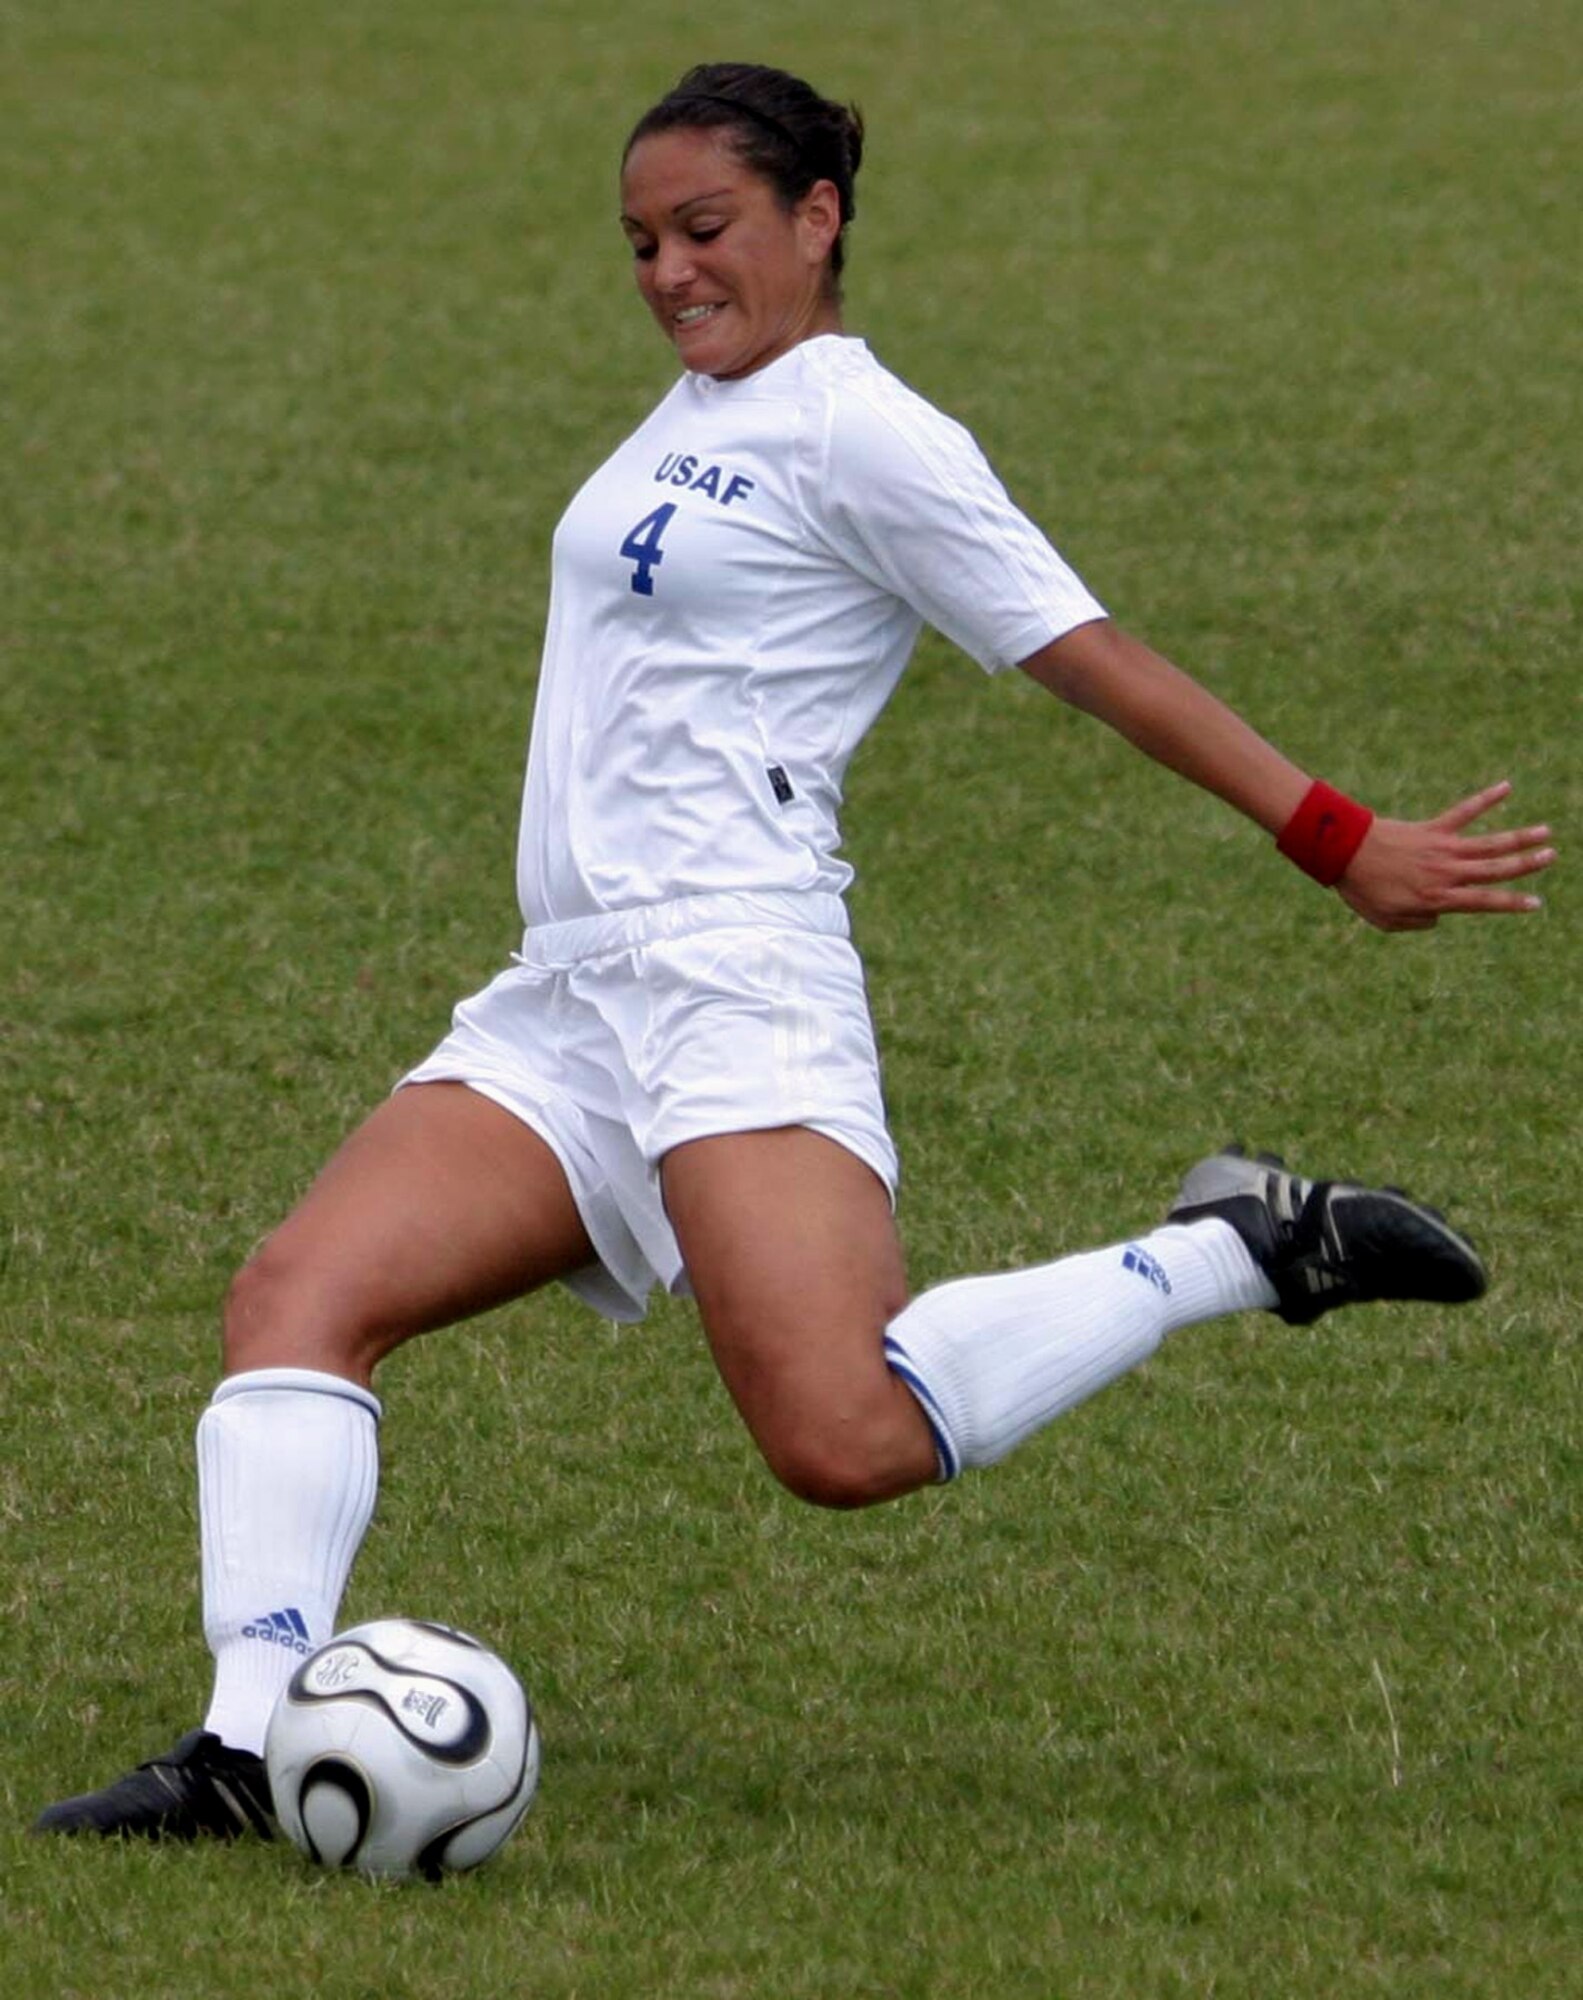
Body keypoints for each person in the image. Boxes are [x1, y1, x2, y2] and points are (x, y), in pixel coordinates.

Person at [35, 61, 1554, 1844]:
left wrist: (1338, 837)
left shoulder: (863, 430)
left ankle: (1237, 1245)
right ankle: (238, 1747)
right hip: (574, 993)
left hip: (737, 982)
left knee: (842, 1439)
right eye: (640, 243)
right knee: (301, 1296)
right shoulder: (699, 408)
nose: (670, 271)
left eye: (706, 230)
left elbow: (1089, 652)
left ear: (817, 218)